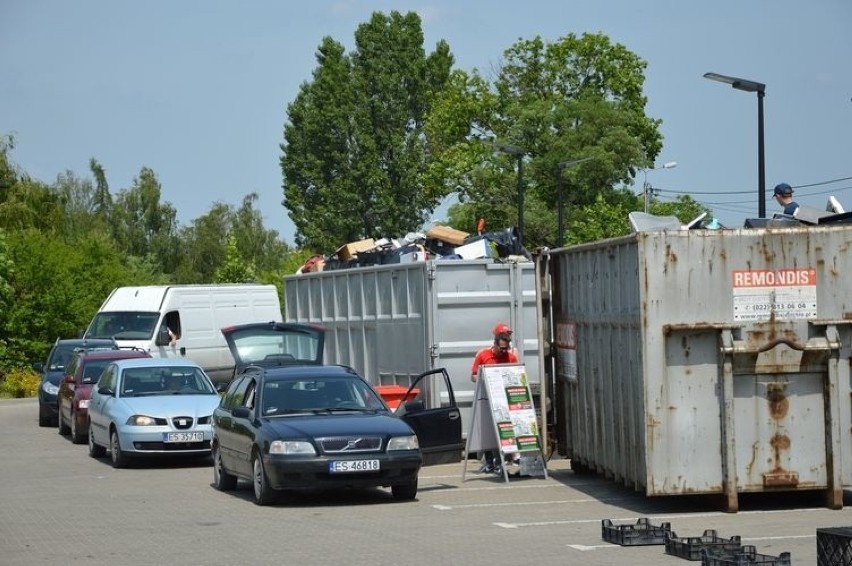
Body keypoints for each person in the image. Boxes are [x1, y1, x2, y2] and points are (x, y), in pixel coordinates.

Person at [471, 322, 519, 474]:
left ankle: (500, 461)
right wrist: (483, 377)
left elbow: (516, 375)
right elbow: (472, 376)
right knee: (487, 431)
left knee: (501, 431)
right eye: (502, 348)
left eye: (506, 348)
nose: (504, 351)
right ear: (495, 343)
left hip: (502, 400)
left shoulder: (511, 357)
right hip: (486, 398)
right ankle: (489, 462)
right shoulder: (483, 355)